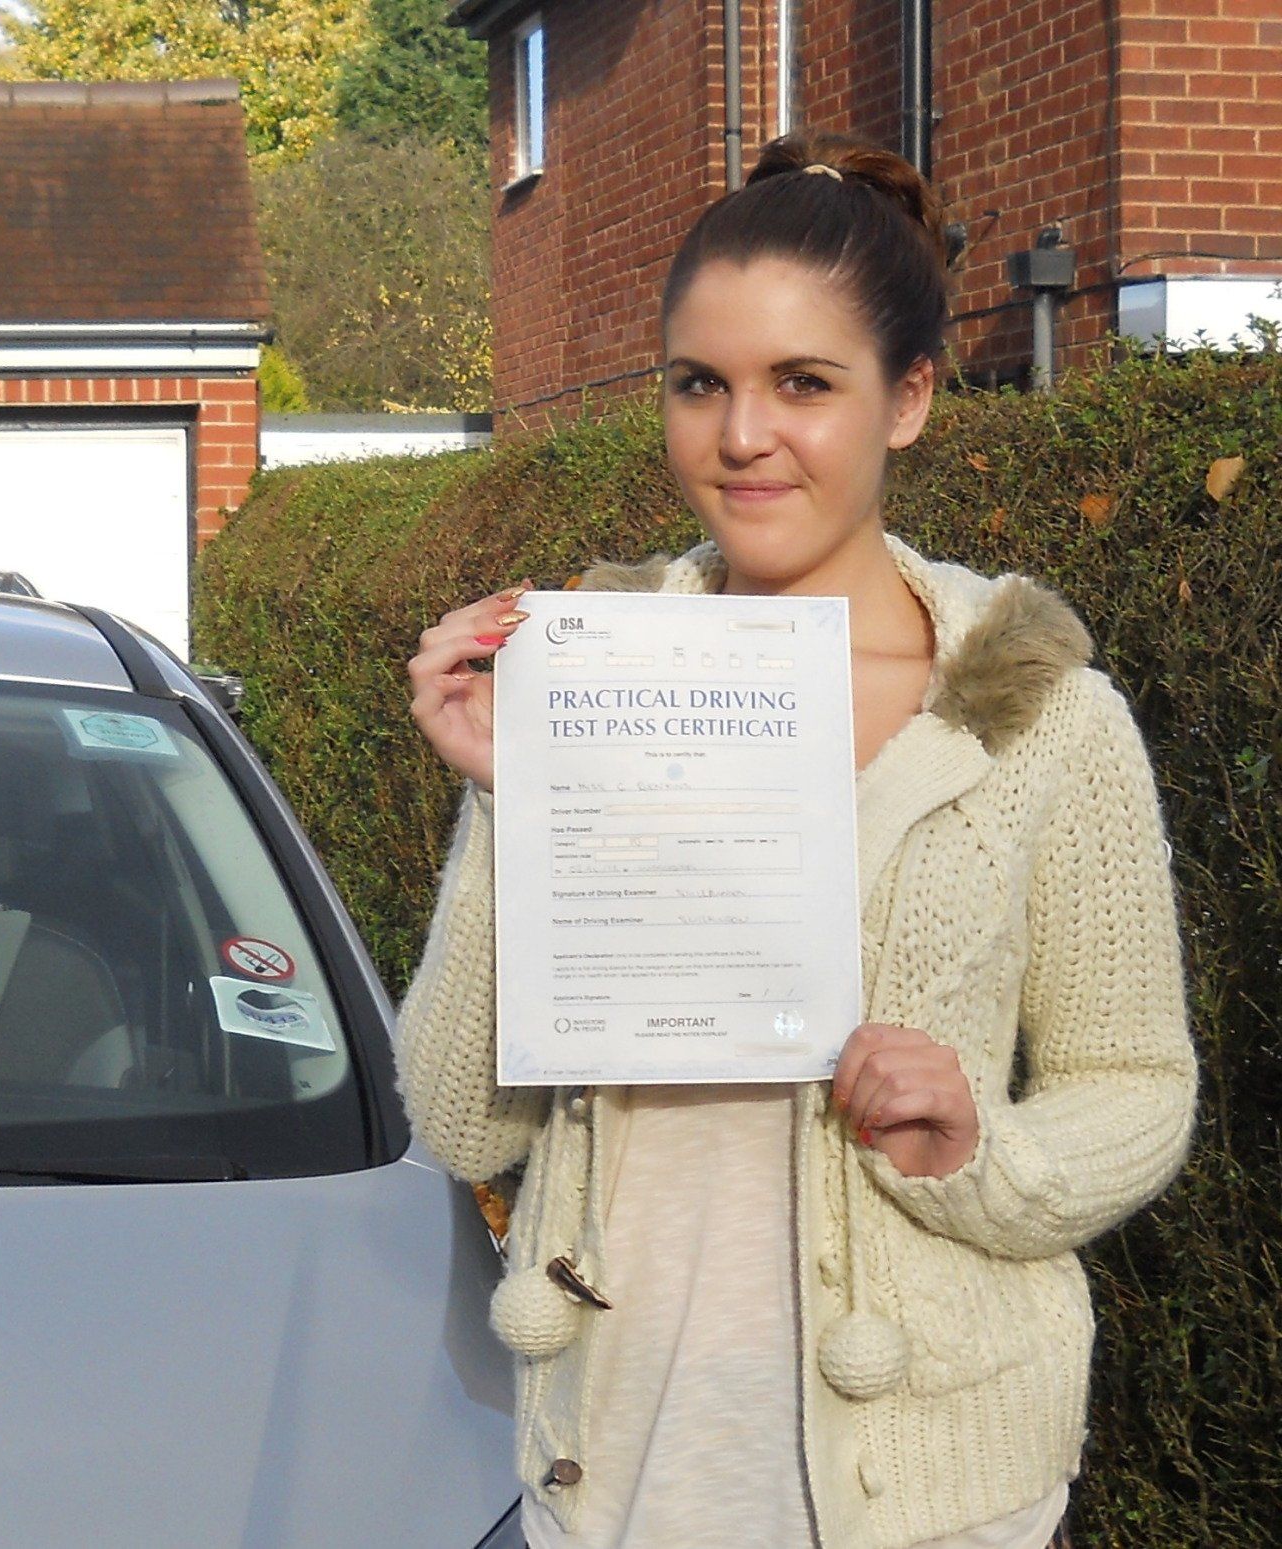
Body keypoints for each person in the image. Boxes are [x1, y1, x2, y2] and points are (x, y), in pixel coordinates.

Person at [397, 130, 1196, 1549]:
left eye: (805, 383)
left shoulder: (1042, 720)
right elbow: (464, 1124)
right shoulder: (585, 684)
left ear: (910, 398)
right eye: (700, 383)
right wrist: (513, 797)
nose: (742, 435)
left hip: (936, 1492)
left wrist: (980, 1146)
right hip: (622, 1469)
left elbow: (1135, 1084)